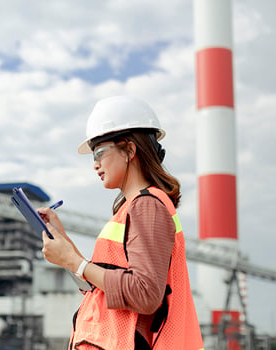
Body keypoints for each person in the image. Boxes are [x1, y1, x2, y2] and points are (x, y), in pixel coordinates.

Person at [39, 96, 204, 350]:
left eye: (99, 153)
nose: (95, 164)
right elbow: (100, 288)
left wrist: (76, 262)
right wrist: (66, 248)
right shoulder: (131, 208)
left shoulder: (147, 206)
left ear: (129, 150)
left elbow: (145, 294)